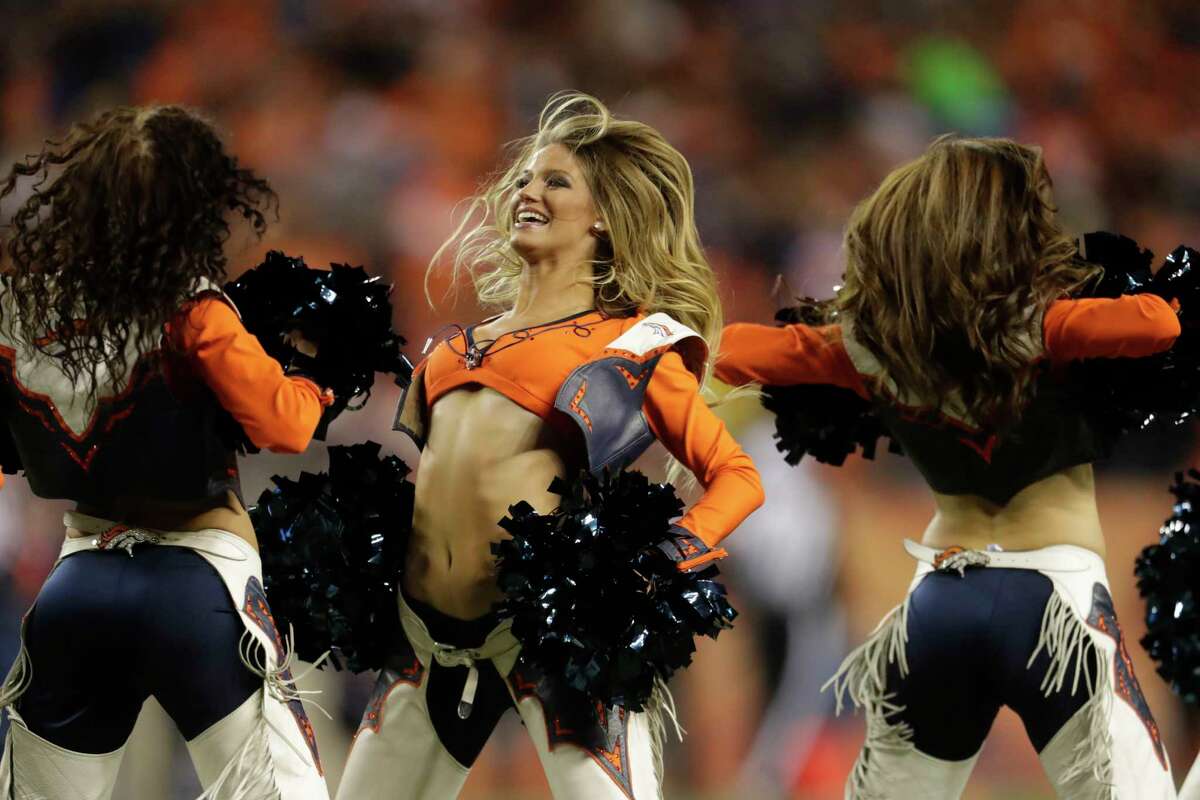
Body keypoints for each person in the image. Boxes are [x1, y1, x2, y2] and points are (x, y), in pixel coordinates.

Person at [715, 136, 1179, 799]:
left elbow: (737, 351)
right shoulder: (1054, 327)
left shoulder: (872, 350)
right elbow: (1158, 323)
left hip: (938, 606)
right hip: (1057, 607)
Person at [337, 92, 764, 800]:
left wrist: (661, 562)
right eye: (526, 180)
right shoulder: (453, 350)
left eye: (556, 181)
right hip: (426, 644)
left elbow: (736, 475)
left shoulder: (631, 343)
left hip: (550, 639)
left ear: (603, 217)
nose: (529, 191)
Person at [0, 105, 333, 799]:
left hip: (74, 592)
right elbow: (285, 425)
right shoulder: (193, 312)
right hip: (198, 590)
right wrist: (320, 379)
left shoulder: (17, 311)